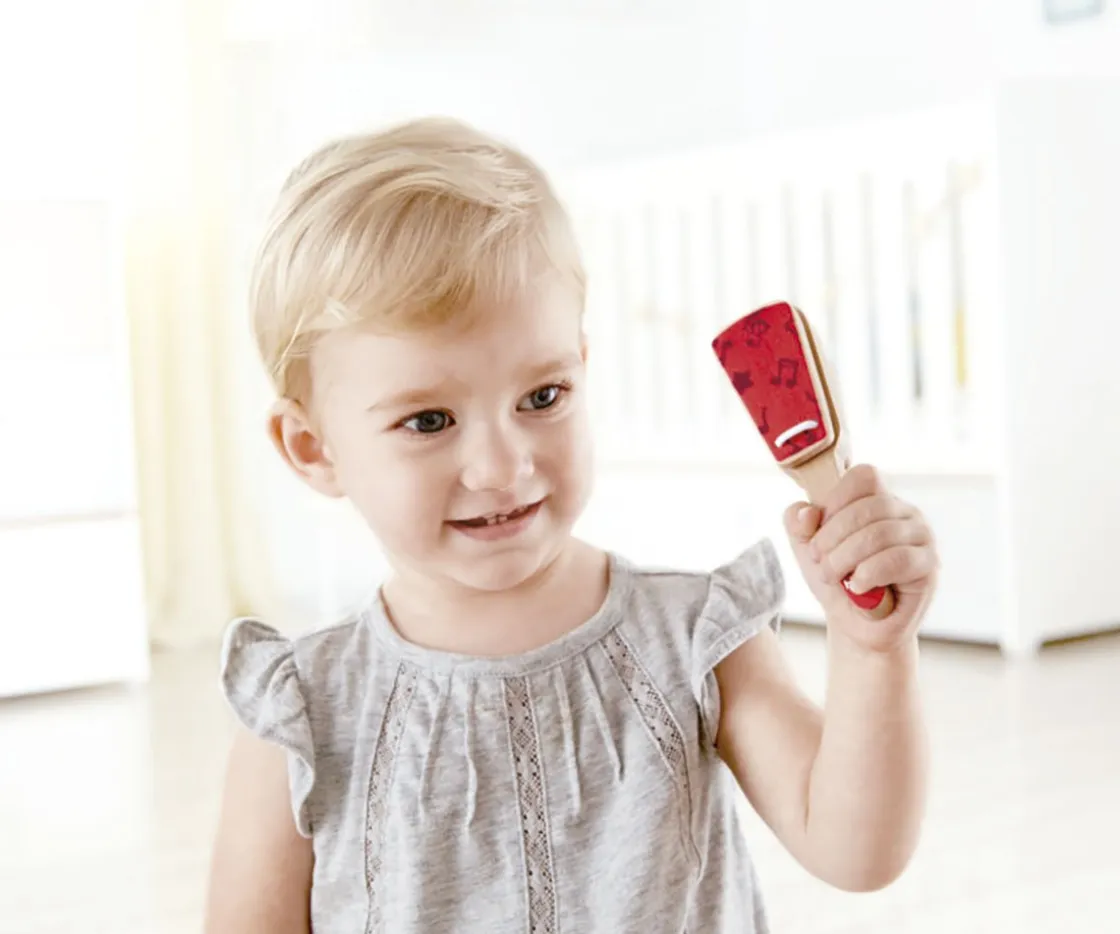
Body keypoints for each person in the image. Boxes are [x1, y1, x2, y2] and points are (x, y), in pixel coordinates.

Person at [204, 117, 939, 934]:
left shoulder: (697, 639)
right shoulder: (307, 715)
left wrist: (874, 651)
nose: (502, 464)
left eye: (542, 398)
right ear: (313, 449)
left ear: (581, 371)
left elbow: (858, 851)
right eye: (429, 420)